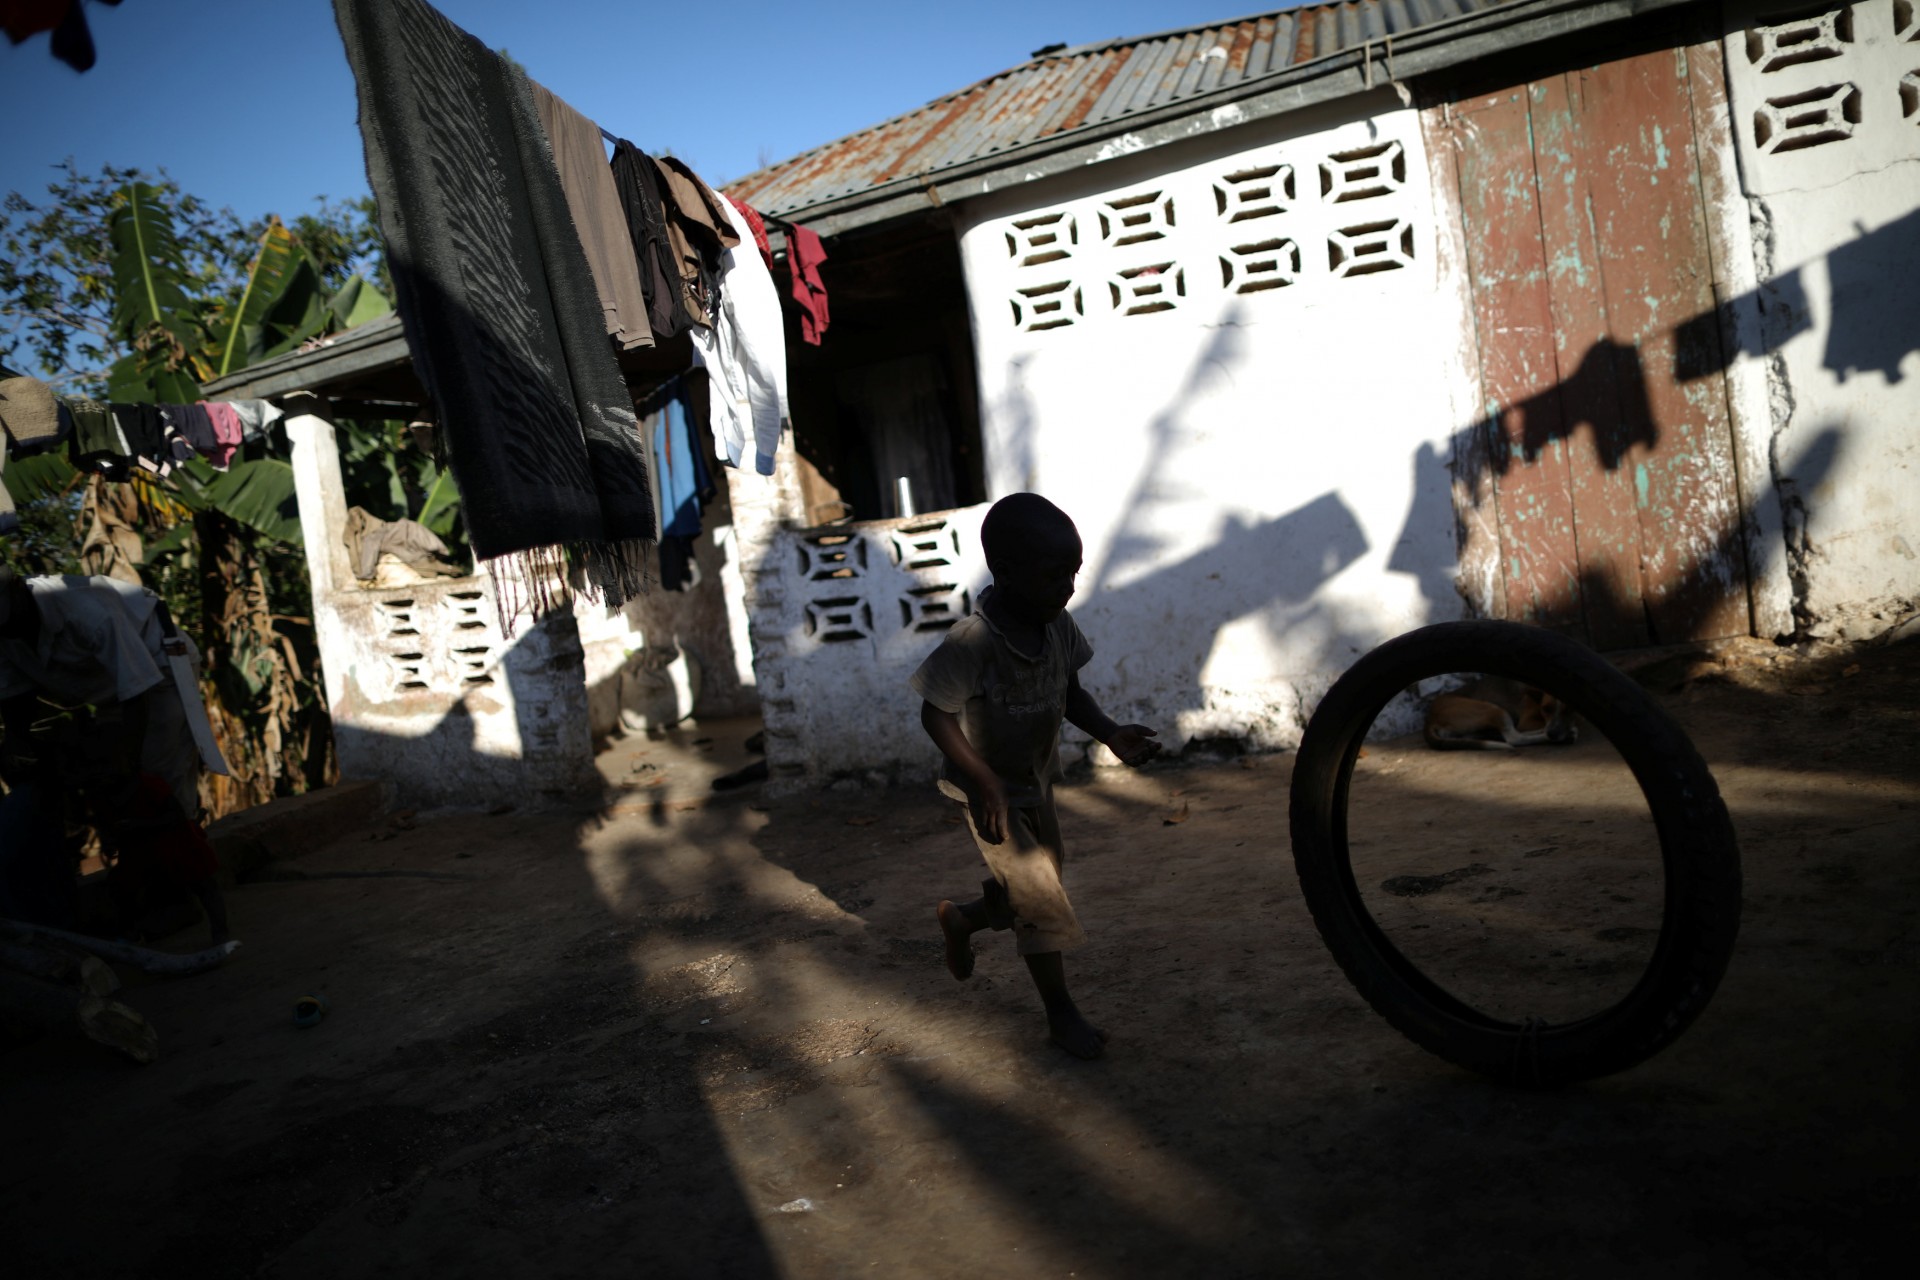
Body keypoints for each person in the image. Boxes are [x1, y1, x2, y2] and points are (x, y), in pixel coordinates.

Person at [909, 493, 1160, 1059]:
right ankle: (1061, 1014)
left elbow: (1071, 692)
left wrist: (1110, 733)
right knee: (1041, 897)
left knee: (1036, 888)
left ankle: (965, 919)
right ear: (1006, 572)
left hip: (1035, 782)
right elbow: (935, 712)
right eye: (1053, 576)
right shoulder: (973, 642)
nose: (1067, 587)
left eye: (1072, 573)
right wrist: (979, 779)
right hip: (988, 794)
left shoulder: (1058, 626)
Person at [0, 566, 201, 818]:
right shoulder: (6, 632)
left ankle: (184, 838)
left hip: (159, 664)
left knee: (158, 771)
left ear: (19, 589)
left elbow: (137, 686)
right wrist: (16, 745)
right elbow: (15, 696)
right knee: (107, 775)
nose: (10, 631)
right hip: (107, 687)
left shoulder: (87, 612)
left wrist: (128, 763)